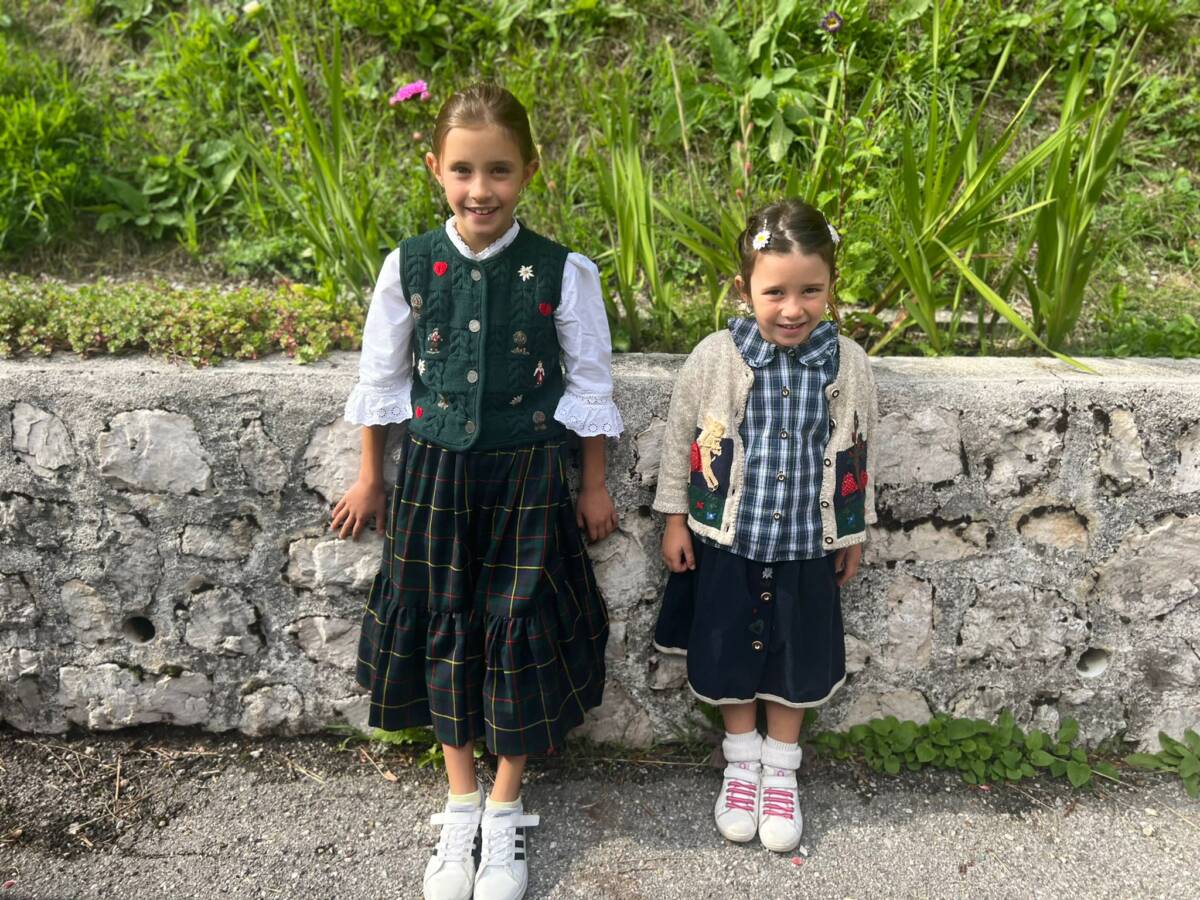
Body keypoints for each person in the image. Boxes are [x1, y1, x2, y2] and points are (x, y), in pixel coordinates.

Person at [331, 82, 623, 900]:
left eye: (498, 170)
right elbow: (383, 378)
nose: (480, 189)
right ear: (435, 168)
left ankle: (505, 807)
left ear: (529, 171)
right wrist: (371, 475)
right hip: (435, 474)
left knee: (517, 622)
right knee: (444, 620)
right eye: (462, 170)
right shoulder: (409, 264)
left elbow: (589, 383)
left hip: (528, 474)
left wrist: (593, 483)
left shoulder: (564, 271)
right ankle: (461, 801)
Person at [652, 198, 877, 853]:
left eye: (811, 291)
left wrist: (854, 530)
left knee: (795, 657)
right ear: (744, 286)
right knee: (728, 652)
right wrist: (675, 519)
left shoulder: (847, 362)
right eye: (774, 292)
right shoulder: (715, 357)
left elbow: (861, 448)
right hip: (731, 542)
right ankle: (741, 764)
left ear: (831, 285)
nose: (793, 308)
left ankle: (781, 772)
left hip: (807, 546)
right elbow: (681, 439)